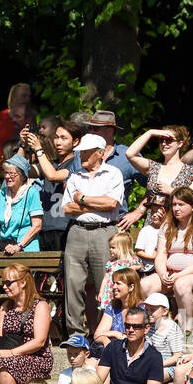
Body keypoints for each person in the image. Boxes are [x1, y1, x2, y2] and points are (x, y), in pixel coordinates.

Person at [62, 132, 126, 337]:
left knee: (106, 284)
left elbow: (112, 203)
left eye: (86, 152)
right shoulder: (75, 176)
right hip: (77, 230)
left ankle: (102, 332)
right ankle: (75, 333)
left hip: (104, 232)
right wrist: (94, 204)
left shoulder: (113, 173)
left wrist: (82, 199)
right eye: (80, 152)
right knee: (73, 283)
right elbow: (67, 208)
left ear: (99, 153)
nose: (81, 156)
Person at [143, 186, 193, 333]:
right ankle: (159, 325)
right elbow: (161, 254)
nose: (176, 208)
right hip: (170, 273)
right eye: (174, 204)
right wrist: (163, 273)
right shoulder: (167, 226)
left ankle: (186, 328)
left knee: (181, 285)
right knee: (145, 284)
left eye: (181, 204)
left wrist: (179, 275)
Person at [25, 117, 82, 251]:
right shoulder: (50, 164)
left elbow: (52, 176)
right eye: (56, 137)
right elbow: (21, 170)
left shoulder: (77, 164)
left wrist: (39, 150)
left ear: (76, 142)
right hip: (45, 227)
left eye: (64, 138)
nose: (58, 142)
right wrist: (23, 145)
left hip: (65, 227)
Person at [124, 126, 193, 209]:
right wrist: (150, 132)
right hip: (153, 221)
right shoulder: (154, 168)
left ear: (180, 143)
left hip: (176, 220)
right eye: (161, 140)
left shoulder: (190, 172)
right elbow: (129, 154)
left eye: (169, 140)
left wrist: (172, 191)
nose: (164, 144)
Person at [0, 154, 43, 255]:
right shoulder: (2, 194)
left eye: (12, 173)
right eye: (5, 173)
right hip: (4, 248)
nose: (7, 176)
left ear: (22, 176)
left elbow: (37, 226)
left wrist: (18, 246)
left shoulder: (31, 193)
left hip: (26, 248)